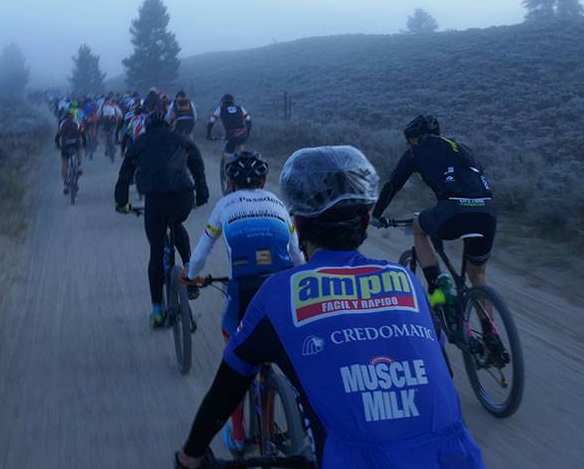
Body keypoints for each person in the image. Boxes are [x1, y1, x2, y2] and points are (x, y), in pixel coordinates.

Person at [174, 145, 485, 469]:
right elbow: (440, 373)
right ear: (366, 220)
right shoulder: (406, 281)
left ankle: (237, 434)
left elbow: (227, 387)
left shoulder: (281, 291)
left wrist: (189, 458)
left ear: (299, 223)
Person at [183, 151, 303, 454]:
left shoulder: (224, 205)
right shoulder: (278, 204)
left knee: (234, 357)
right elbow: (298, 255)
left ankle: (237, 435)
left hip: (244, 288)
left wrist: (191, 276)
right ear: (263, 180)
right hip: (284, 285)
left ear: (229, 181)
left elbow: (200, 254)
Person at [371, 115, 496, 302]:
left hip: (453, 211)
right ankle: (489, 330)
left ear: (414, 139)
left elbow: (393, 185)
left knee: (418, 227)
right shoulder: (463, 148)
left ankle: (436, 290)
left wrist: (376, 215)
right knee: (477, 275)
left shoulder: (414, 153)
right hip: (486, 213)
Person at [115, 109, 211, 328]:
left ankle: (158, 312)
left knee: (156, 251)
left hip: (156, 202)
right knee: (177, 223)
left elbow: (124, 176)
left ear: (147, 127)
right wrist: (202, 193)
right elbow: (197, 164)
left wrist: (122, 202)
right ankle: (190, 271)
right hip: (183, 198)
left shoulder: (139, 143)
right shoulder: (181, 139)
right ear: (168, 125)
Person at [206, 94, 252, 188]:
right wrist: (247, 133)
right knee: (241, 148)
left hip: (230, 135)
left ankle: (228, 179)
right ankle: (243, 166)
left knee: (227, 156)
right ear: (233, 101)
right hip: (242, 133)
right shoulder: (240, 108)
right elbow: (249, 120)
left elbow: (211, 122)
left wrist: (208, 135)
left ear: (223, 102)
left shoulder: (220, 109)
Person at [54, 110, 85, 194]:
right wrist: (84, 143)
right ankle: (78, 165)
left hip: (65, 145)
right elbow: (82, 133)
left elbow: (57, 136)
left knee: (64, 163)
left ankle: (65, 184)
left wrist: (58, 145)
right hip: (75, 143)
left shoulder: (62, 123)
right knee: (79, 150)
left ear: (65, 116)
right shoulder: (76, 122)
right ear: (72, 116)